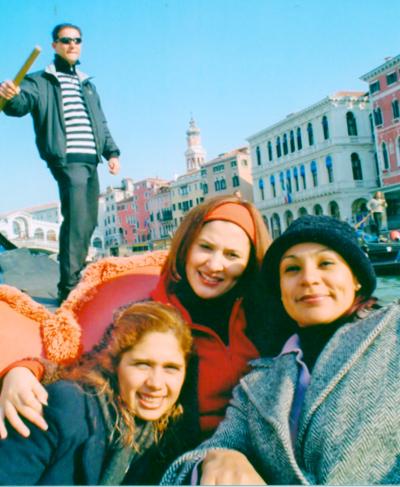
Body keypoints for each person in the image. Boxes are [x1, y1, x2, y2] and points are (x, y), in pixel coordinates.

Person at [0, 196, 272, 453]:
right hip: (163, 456)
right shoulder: (151, 314)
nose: (215, 265)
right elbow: (86, 365)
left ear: (249, 262)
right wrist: (24, 371)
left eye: (232, 255)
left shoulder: (263, 318)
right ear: (187, 247)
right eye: (206, 247)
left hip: (241, 453)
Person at [161, 215, 400, 485]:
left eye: (326, 264)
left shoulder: (394, 331)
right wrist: (217, 459)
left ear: (357, 279)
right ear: (280, 289)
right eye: (292, 269)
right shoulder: (257, 383)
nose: (309, 279)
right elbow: (189, 466)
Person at [0, 301, 192, 485]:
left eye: (171, 368)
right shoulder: (62, 406)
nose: (156, 383)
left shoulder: (172, 434)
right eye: (142, 365)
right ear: (115, 365)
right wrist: (22, 370)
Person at [0, 23, 120, 302]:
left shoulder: (87, 84)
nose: (72, 45)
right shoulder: (40, 80)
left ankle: (72, 279)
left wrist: (111, 153)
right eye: (65, 40)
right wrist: (8, 97)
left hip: (91, 160)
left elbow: (100, 122)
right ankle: (69, 287)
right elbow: (20, 104)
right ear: (54, 45)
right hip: (66, 158)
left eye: (77, 40)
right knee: (77, 218)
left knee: (87, 221)